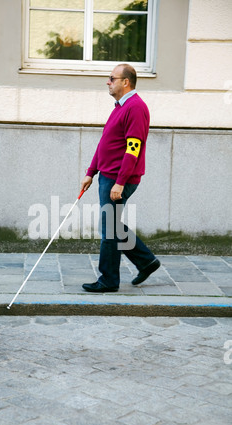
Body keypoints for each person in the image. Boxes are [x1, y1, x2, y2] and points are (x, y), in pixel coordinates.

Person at [80, 63, 160, 293]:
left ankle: (108, 280)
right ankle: (146, 261)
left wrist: (120, 182)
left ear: (126, 82)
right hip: (107, 176)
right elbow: (106, 142)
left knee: (109, 229)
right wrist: (90, 172)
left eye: (112, 78)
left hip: (118, 178)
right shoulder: (120, 106)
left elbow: (132, 148)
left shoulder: (135, 107)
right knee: (112, 225)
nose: (108, 82)